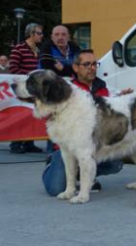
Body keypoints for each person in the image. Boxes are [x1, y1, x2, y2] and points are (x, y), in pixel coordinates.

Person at [42, 50, 126, 196]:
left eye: (94, 64)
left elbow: (109, 113)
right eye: (87, 64)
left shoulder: (103, 88)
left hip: (94, 145)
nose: (92, 68)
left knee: (116, 162)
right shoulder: (65, 90)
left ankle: (86, 177)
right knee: (55, 189)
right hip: (66, 147)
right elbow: (48, 116)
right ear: (75, 67)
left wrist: (122, 100)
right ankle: (52, 164)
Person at [8, 23, 45, 154]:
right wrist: (30, 76)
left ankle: (29, 143)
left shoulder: (39, 51)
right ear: (31, 34)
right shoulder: (18, 49)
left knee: (31, 114)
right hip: (22, 88)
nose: (42, 36)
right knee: (20, 115)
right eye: (39, 33)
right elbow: (13, 69)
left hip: (34, 89)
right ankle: (15, 143)